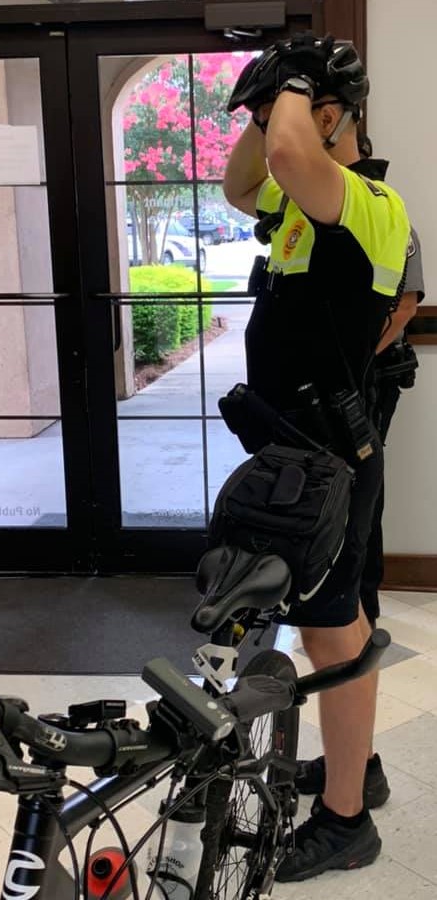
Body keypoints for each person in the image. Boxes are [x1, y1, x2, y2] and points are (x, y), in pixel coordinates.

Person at [223, 33, 412, 882]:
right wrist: (261, 105)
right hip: (300, 450)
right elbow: (239, 186)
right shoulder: (304, 206)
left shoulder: (367, 200)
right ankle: (355, 769)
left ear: (330, 115)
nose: (275, 133)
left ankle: (344, 823)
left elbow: (292, 153)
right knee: (331, 626)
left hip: (329, 456)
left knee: (333, 635)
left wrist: (296, 85)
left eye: (288, 115)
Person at [295, 134, 425, 808]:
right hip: (323, 406)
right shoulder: (304, 216)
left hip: (362, 395)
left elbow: (405, 305)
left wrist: (350, 360)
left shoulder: (382, 210)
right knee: (341, 569)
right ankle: (353, 759)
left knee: (352, 560)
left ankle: (353, 782)